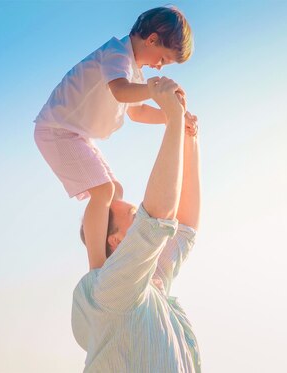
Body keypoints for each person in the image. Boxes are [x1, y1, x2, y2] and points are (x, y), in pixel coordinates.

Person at [34, 6, 197, 270]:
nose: (158, 66)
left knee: (115, 194)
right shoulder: (116, 54)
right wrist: (155, 90)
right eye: (163, 59)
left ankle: (111, 251)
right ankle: (97, 266)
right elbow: (121, 91)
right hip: (56, 131)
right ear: (152, 39)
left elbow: (138, 112)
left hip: (76, 134)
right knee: (104, 191)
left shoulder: (133, 69)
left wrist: (173, 114)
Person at [72, 76, 202, 372]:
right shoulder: (114, 289)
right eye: (133, 214)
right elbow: (157, 217)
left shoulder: (146, 286)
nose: (140, 213)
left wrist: (188, 137)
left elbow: (184, 230)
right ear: (115, 241)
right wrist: (172, 118)